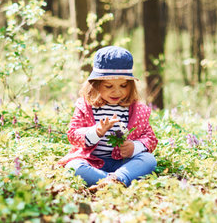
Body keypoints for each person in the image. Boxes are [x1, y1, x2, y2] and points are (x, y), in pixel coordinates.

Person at [58, 46, 158, 191]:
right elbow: (73, 135)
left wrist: (134, 147)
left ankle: (117, 178)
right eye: (109, 86)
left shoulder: (136, 110)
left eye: (123, 85)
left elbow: (150, 138)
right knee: (73, 167)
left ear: (130, 85)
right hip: (92, 161)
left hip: (124, 163)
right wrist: (95, 132)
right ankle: (113, 181)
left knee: (149, 160)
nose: (117, 91)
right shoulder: (85, 107)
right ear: (96, 84)